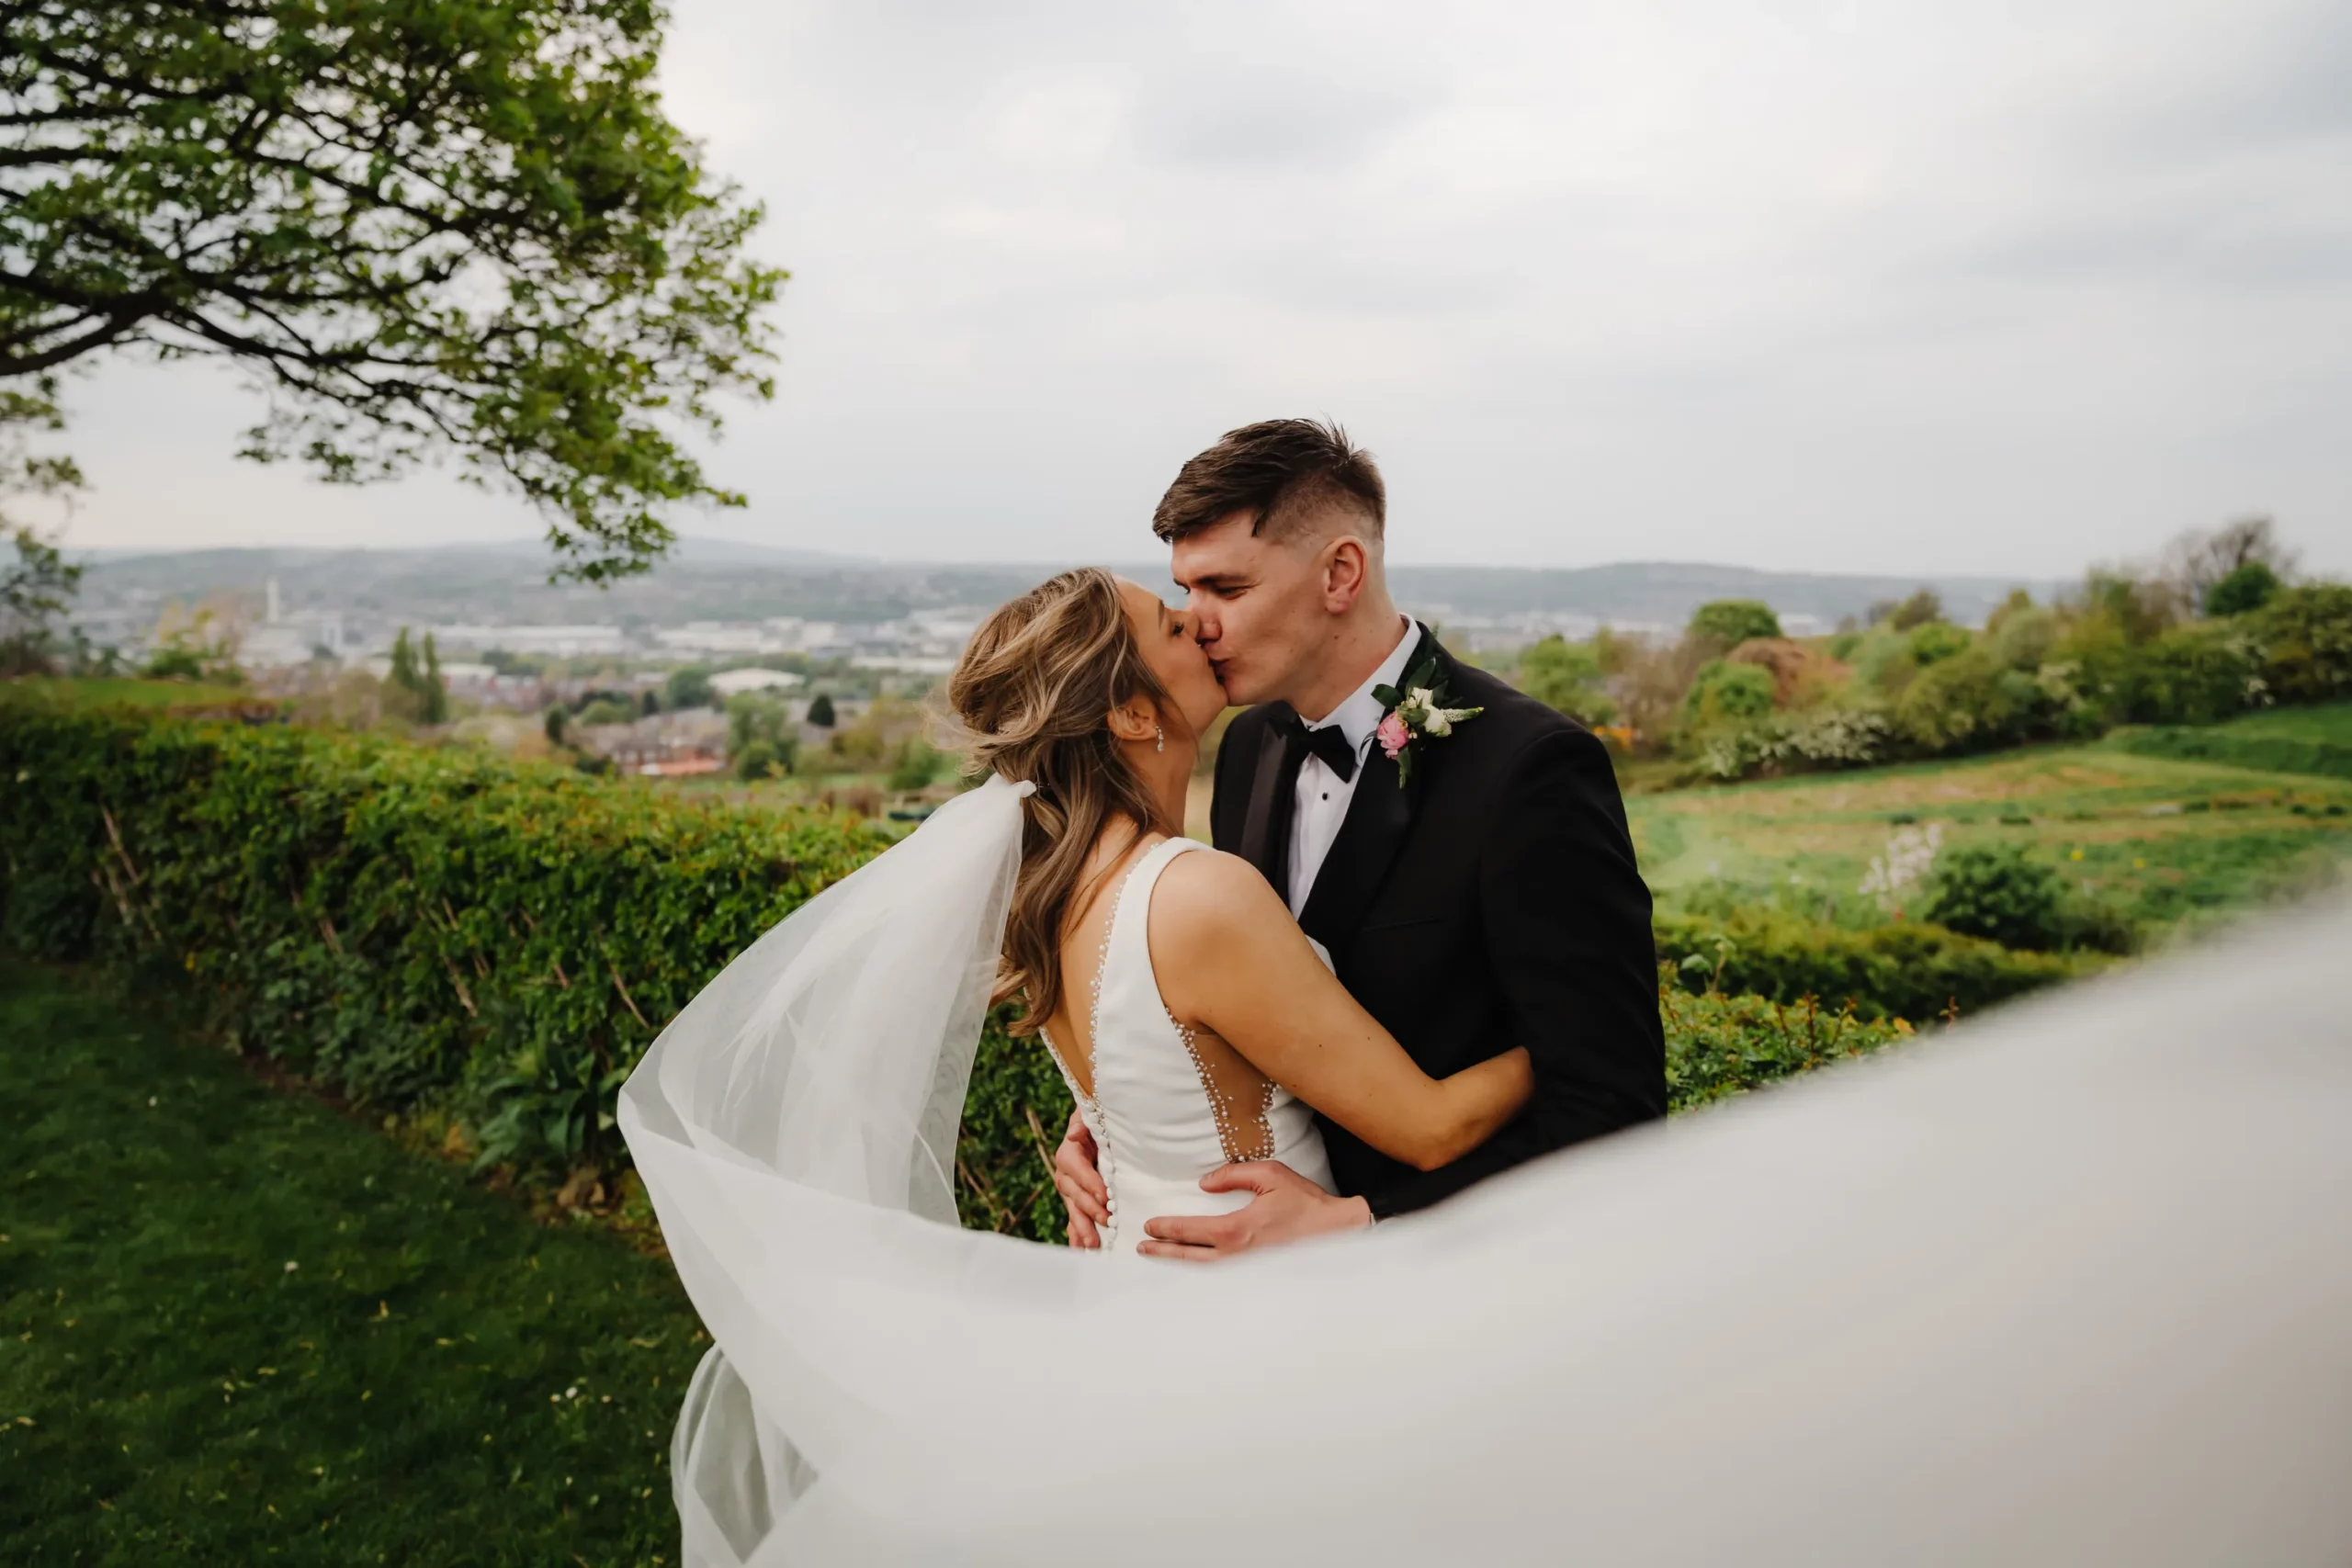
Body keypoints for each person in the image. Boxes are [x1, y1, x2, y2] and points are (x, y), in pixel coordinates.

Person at [1052, 418, 1667, 1258]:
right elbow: (1235, 1007)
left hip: (1462, 1280)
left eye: (1225, 590)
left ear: (1341, 572)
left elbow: (1615, 1108)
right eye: (1184, 592)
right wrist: (1122, 1117)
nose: (1197, 624)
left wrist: (1362, 1218)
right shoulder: (1247, 747)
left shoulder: (1529, 770)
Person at [948, 566, 1537, 1252]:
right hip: (1258, 1297)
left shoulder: (1049, 888)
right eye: (1172, 625)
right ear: (1134, 714)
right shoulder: (1198, 897)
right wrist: (1566, 1035)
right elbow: (1432, 1128)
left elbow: (1149, 1076)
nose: (1197, 623)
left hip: (1131, 1280)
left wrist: (1099, 1136)